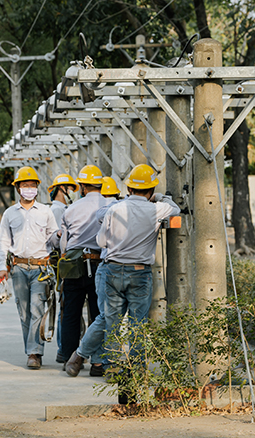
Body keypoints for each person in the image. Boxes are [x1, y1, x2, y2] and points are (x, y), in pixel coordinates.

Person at [95, 164, 179, 398]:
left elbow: (101, 242)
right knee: (137, 326)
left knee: (112, 321)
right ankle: (135, 373)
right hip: (140, 273)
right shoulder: (157, 209)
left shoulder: (115, 208)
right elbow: (176, 208)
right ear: (151, 190)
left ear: (129, 187)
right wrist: (160, 197)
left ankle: (111, 366)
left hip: (112, 271)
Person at [0, 166, 59, 369]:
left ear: (37, 188)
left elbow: (53, 237)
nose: (29, 189)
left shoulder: (46, 212)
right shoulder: (10, 214)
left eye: (32, 185)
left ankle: (34, 353)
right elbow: (3, 241)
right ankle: (31, 349)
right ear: (18, 188)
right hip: (19, 268)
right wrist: (1, 266)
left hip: (41, 268)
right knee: (24, 312)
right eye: (25, 185)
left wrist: (59, 237)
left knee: (37, 309)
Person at [57, 165, 106, 364]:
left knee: (71, 312)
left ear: (83, 187)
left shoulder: (71, 209)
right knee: (99, 313)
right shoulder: (111, 205)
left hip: (74, 264)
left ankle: (68, 356)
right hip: (99, 263)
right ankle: (98, 361)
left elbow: (64, 243)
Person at [46, 173, 77, 363]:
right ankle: (63, 348)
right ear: (62, 189)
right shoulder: (58, 210)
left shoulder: (64, 208)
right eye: (71, 188)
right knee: (65, 305)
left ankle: (66, 348)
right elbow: (58, 239)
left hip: (63, 261)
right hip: (62, 261)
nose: (73, 191)